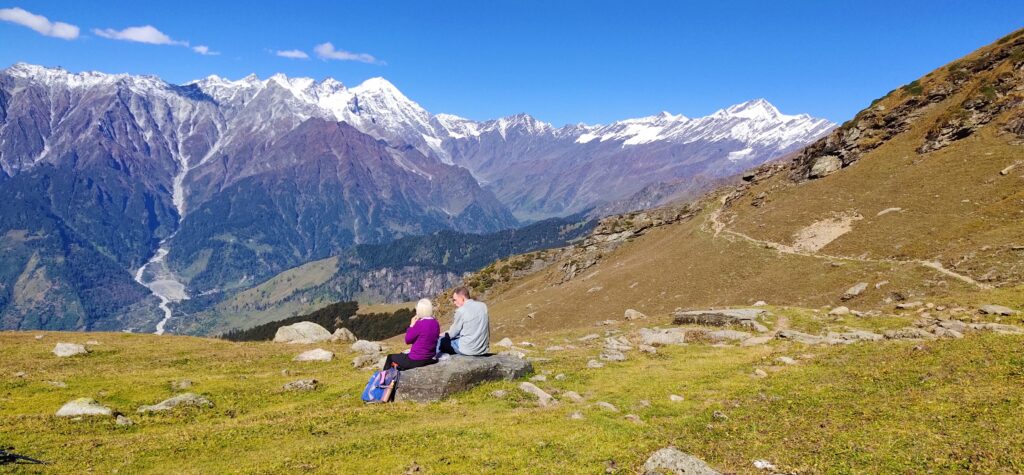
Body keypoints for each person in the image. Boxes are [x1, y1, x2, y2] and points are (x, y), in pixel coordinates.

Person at [382, 298, 440, 371]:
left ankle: (384, 377)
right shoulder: (435, 323)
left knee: (390, 357)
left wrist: (411, 325)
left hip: (416, 360)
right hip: (430, 358)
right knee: (402, 356)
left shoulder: (419, 324)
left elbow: (407, 340)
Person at [437, 286, 490, 356]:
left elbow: (452, 334)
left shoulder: (461, 311)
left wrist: (441, 335)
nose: (454, 302)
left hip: (468, 349)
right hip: (483, 349)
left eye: (455, 300)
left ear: (462, 298)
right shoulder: (483, 306)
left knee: (440, 341)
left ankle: (434, 358)